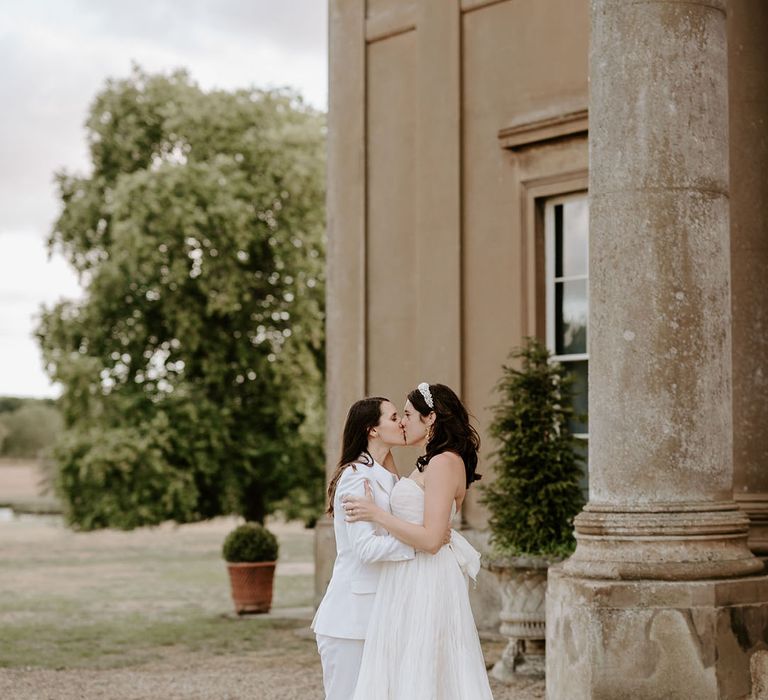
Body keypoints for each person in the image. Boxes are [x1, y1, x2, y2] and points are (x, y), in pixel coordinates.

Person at [343, 382, 494, 700]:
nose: (402, 422)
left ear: (431, 419)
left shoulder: (443, 463)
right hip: (408, 573)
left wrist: (376, 514)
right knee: (404, 664)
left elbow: (430, 539)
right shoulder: (432, 461)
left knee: (423, 665)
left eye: (408, 414)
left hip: (427, 576)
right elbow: (408, 501)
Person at [311, 397, 416, 700]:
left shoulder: (385, 476)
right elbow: (366, 549)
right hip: (350, 620)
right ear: (373, 429)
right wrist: (419, 543)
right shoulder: (356, 478)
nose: (402, 423)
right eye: (395, 417)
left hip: (378, 613)